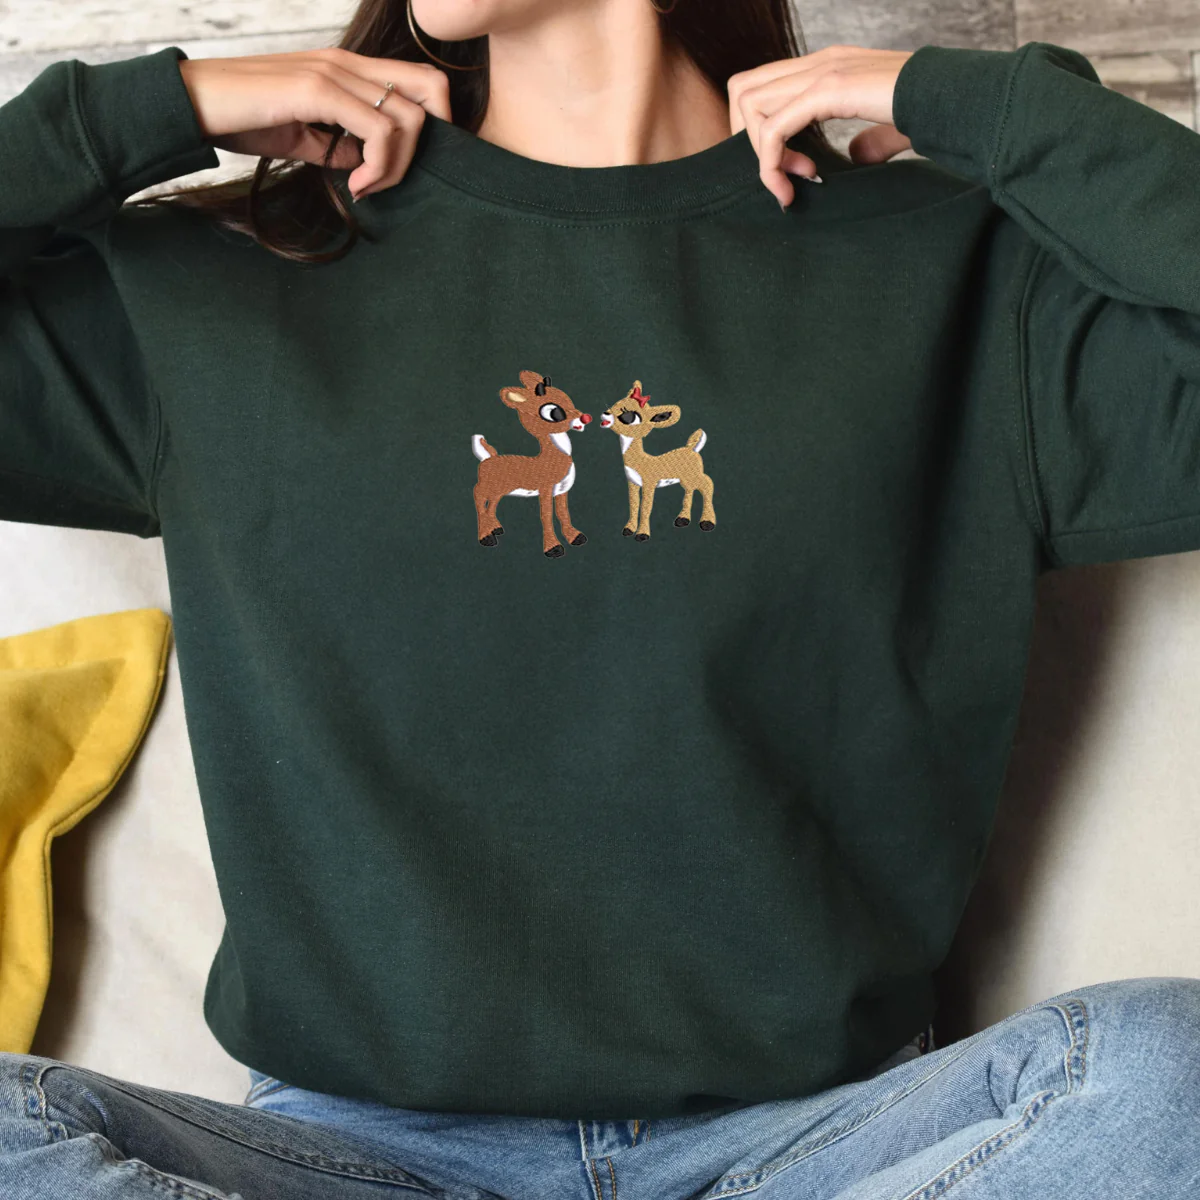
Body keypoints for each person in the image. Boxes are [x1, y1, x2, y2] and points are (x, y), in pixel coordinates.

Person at [1, 0, 1198, 1195]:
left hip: (823, 1147)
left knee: (1169, 1066)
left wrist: (993, 110)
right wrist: (153, 109)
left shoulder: (943, 264)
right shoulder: (229, 277)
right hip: (357, 1157)